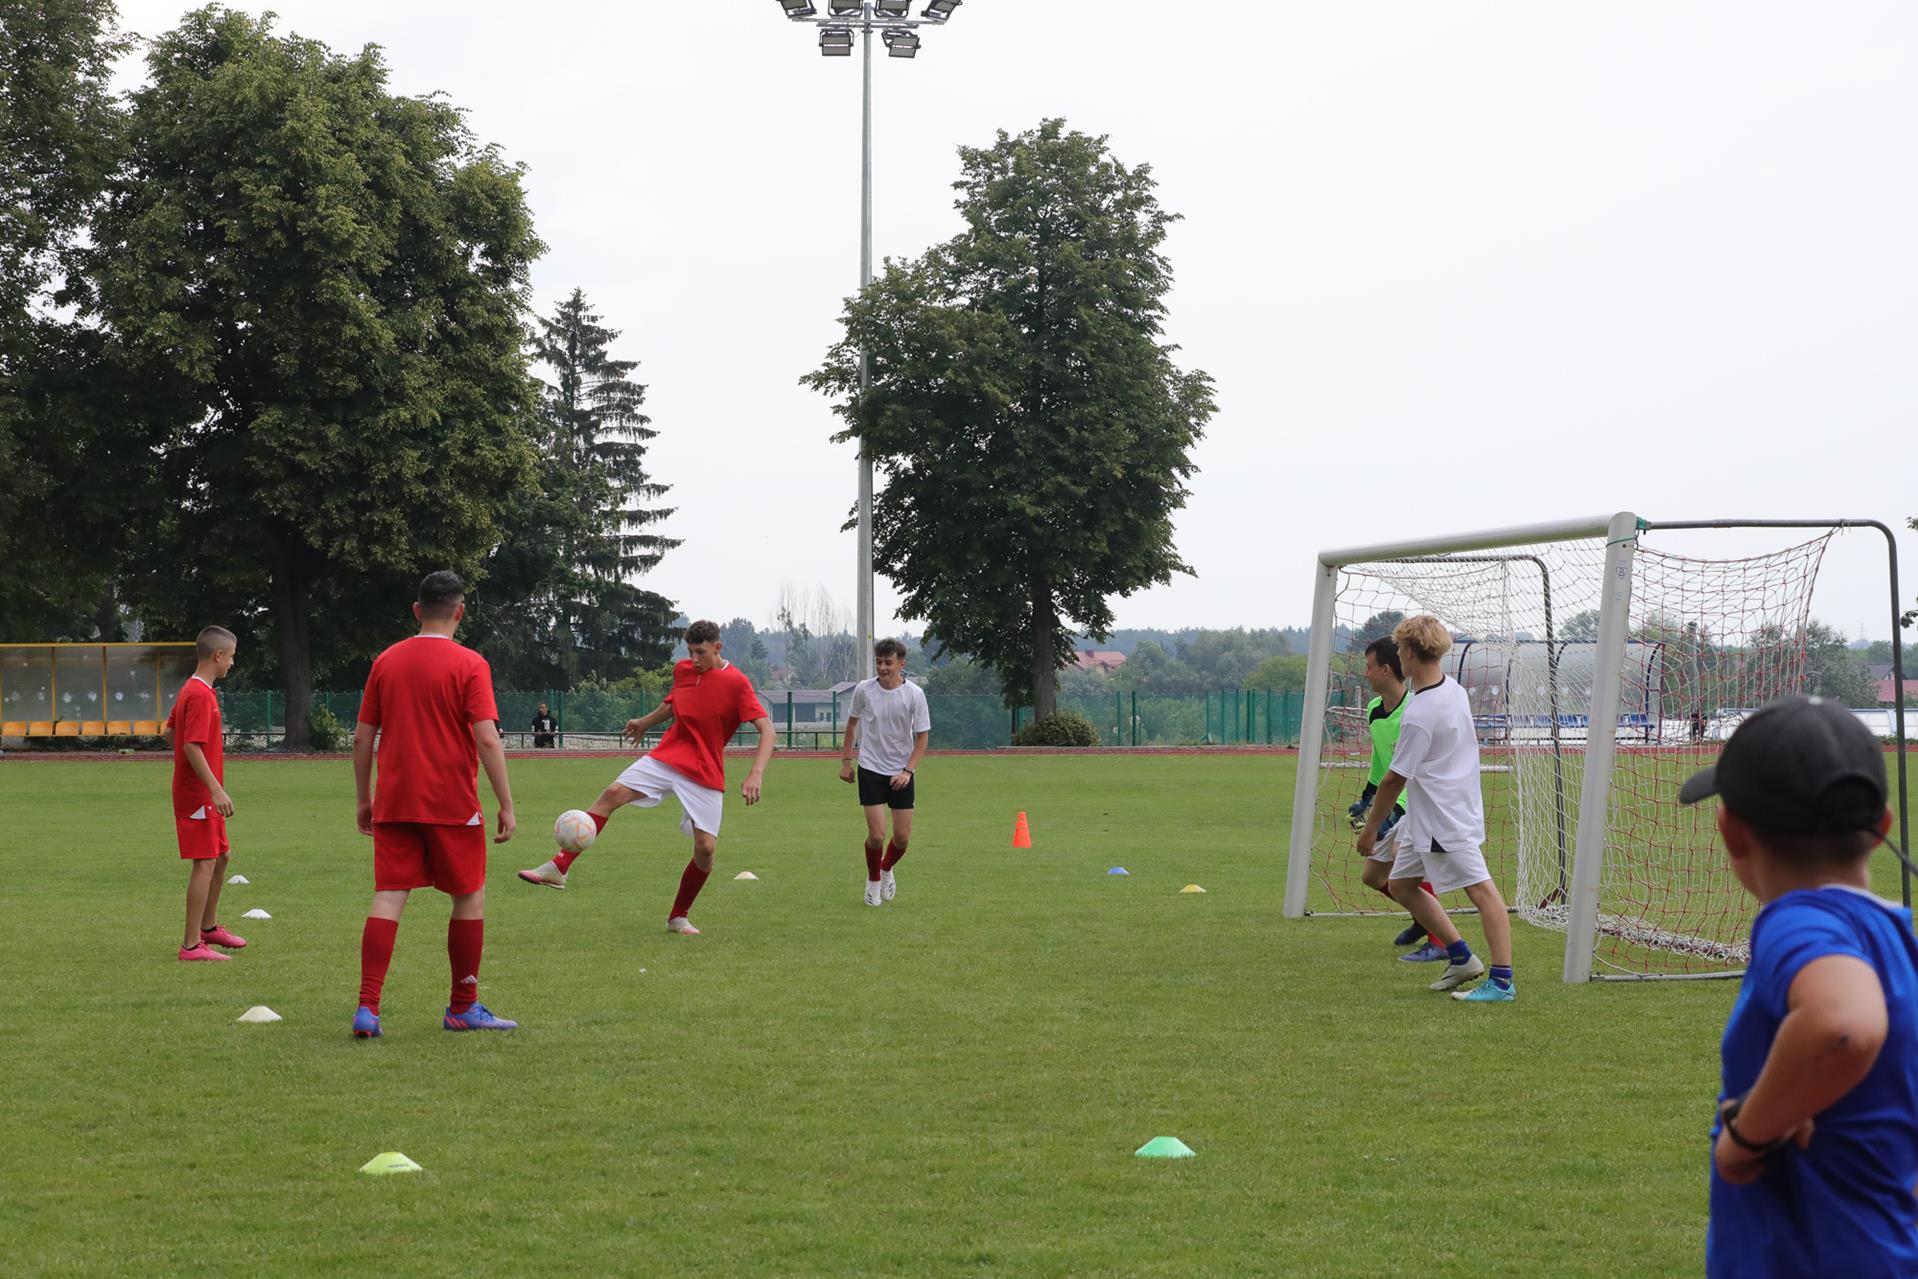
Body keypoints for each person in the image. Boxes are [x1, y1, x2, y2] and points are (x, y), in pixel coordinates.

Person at [1680, 694, 1918, 1277]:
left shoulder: (1800, 920)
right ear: (1881, 827)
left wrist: (1746, 1134)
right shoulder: (1899, 937)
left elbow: (1843, 1024)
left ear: (1732, 832)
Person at [517, 619, 776, 936]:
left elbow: (767, 730)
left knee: (706, 849)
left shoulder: (737, 683)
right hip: (669, 755)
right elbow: (673, 704)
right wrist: (644, 722)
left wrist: (755, 773)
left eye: (701, 652)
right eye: (690, 652)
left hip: (705, 768)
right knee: (613, 793)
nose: (694, 659)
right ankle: (558, 867)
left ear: (718, 648)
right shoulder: (683, 670)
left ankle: (678, 917)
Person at [350, 571, 519, 1038]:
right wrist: (506, 803)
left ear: (417, 610)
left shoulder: (386, 661)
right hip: (452, 802)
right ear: (460, 611)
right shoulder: (470, 664)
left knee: (389, 895)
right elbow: (487, 738)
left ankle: (368, 1007)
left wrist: (364, 798)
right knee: (469, 896)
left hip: (394, 800)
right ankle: (462, 1007)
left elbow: (363, 738)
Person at [1356, 614, 1515, 1002]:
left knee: (1482, 892)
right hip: (1424, 816)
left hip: (1446, 816)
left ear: (1409, 652)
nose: (1399, 655)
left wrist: (1370, 830)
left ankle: (1502, 982)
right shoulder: (1453, 690)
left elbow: (1394, 779)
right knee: (1401, 885)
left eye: (1400, 649)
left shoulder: (1420, 712)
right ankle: (1461, 957)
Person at [1347, 636, 1443, 960]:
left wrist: (1391, 813)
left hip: (1416, 802)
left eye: (1369, 666)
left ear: (1386, 669)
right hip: (1390, 798)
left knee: (1404, 863)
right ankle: (1423, 918)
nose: (1366, 673)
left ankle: (1441, 942)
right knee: (1372, 877)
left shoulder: (1414, 710)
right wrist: (1367, 798)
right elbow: (1380, 762)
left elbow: (1410, 770)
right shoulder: (1373, 710)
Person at [167, 625, 246, 961]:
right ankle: (190, 945)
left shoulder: (193, 689)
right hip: (199, 795)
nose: (232, 663)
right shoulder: (199, 694)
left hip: (199, 791)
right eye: (231, 657)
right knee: (205, 862)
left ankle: (209, 927)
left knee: (222, 856)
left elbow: (169, 731)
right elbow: (190, 745)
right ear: (218, 656)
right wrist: (214, 789)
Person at [840, 638, 931, 906]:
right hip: (870, 768)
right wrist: (846, 761)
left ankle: (886, 868)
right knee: (877, 835)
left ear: (901, 664)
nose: (882, 667)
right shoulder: (864, 690)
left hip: (901, 772)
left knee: (901, 838)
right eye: (879, 662)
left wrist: (908, 771)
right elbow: (852, 724)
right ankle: (873, 881)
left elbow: (922, 738)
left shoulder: (914, 694)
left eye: (888, 663)